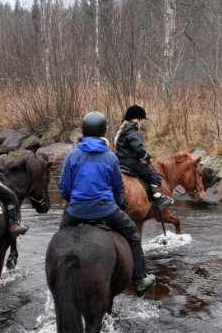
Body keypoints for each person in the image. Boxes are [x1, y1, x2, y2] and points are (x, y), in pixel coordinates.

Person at [59, 111, 156, 295]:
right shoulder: (111, 157)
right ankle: (140, 278)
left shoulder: (72, 156)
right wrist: (118, 204)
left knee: (61, 239)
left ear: (84, 130)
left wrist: (74, 201)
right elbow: (117, 189)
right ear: (103, 131)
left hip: (77, 210)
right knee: (133, 235)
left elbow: (64, 187)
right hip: (105, 210)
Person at [113, 104, 174, 210]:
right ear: (137, 120)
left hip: (120, 160)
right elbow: (138, 149)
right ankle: (159, 199)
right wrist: (148, 158)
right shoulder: (133, 133)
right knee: (153, 174)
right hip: (131, 162)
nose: (142, 123)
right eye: (142, 120)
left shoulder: (122, 131)